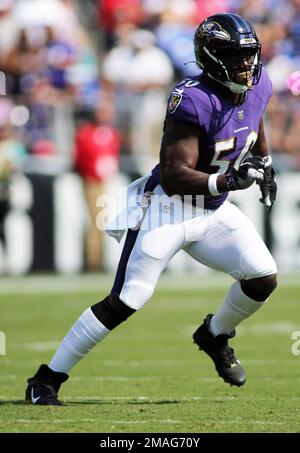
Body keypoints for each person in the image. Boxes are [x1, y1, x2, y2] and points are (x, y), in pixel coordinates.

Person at [25, 13, 278, 405]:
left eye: (249, 54)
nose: (246, 64)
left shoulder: (258, 83)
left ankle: (214, 334)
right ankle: (46, 379)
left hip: (211, 211)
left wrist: (264, 162)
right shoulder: (192, 98)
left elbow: (254, 119)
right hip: (168, 208)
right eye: (235, 55)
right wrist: (228, 181)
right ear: (211, 57)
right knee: (128, 299)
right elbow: (176, 174)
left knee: (262, 277)